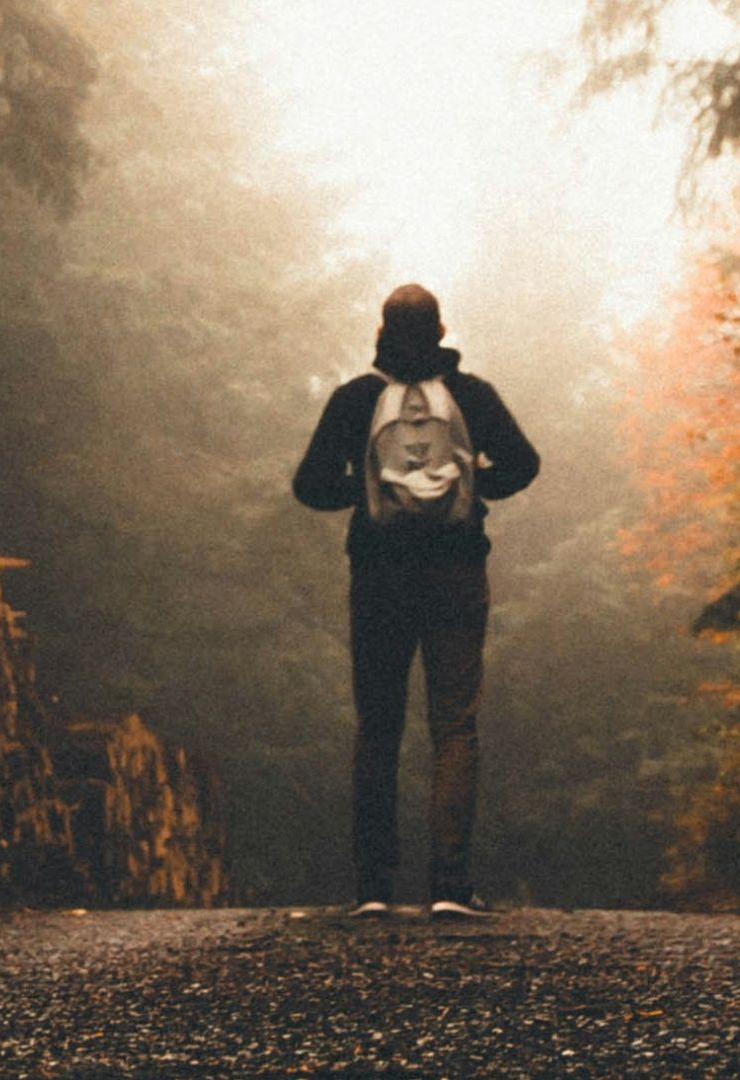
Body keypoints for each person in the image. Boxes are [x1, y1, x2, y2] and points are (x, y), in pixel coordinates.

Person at [292, 284, 540, 919]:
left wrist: (370, 490)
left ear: (381, 329)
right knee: (454, 723)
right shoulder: (471, 396)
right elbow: (525, 464)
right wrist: (469, 484)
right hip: (456, 568)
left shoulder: (356, 399)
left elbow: (310, 486)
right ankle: (450, 885)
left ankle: (374, 886)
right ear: (439, 331)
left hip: (378, 573)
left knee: (379, 725)